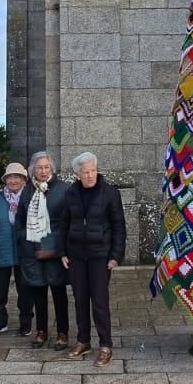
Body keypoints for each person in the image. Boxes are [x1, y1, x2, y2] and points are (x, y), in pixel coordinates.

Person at [59, 151, 125, 366]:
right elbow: (63, 225)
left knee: (99, 301)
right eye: (86, 172)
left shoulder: (110, 193)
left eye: (93, 170)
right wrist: (63, 252)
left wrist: (116, 255)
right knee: (79, 300)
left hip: (100, 256)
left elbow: (119, 227)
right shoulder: (70, 194)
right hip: (77, 255)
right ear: (78, 174)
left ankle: (106, 345)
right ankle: (83, 341)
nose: (90, 175)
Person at [23, 151, 71, 349]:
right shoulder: (27, 191)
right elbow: (20, 220)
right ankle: (41, 330)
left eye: (46, 167)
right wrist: (25, 237)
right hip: (33, 248)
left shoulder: (63, 189)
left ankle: (63, 332)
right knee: (38, 292)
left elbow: (67, 221)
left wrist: (57, 244)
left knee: (58, 292)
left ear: (51, 169)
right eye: (39, 168)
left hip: (55, 249)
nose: (42, 171)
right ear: (32, 170)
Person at [0, 162, 29, 337]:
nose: (14, 180)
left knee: (25, 290)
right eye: (10, 177)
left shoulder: (30, 197)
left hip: (23, 250)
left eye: (17, 177)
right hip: (0, 250)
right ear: (5, 179)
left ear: (24, 179)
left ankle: (26, 323)